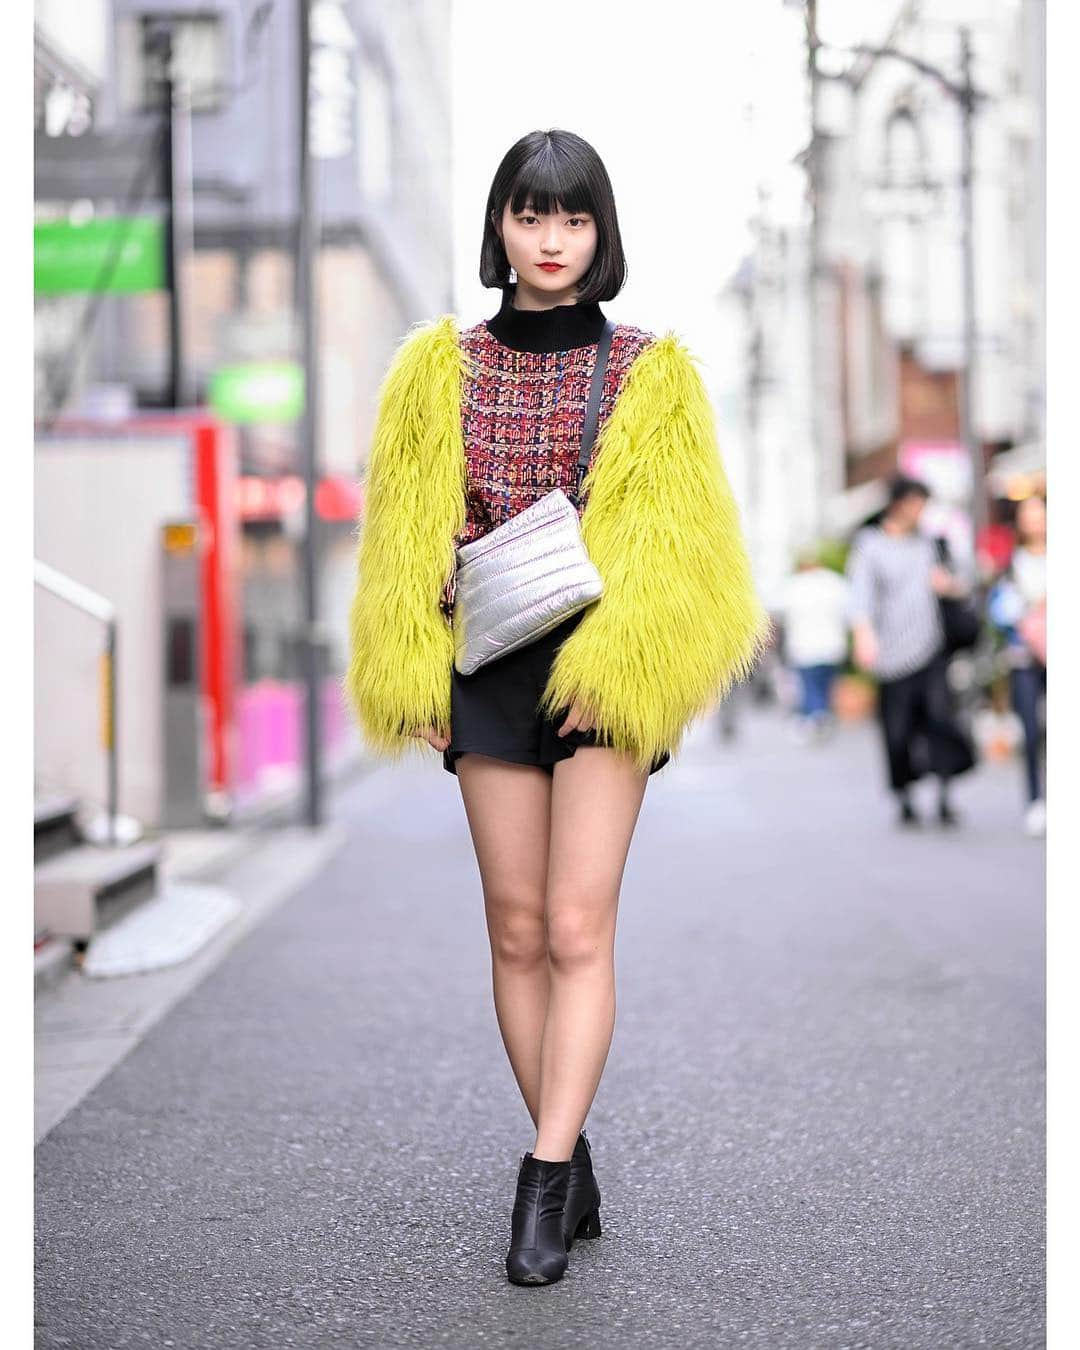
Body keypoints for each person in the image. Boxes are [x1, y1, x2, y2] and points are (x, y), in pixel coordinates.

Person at [344, 129, 770, 1287]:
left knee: (579, 928)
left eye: (572, 218)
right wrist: (411, 653)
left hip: (604, 673)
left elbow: (694, 560)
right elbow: (399, 535)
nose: (550, 239)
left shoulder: (651, 370)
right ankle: (570, 1150)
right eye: (531, 216)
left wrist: (626, 667)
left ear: (601, 233)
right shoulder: (439, 366)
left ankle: (538, 1179)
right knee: (516, 928)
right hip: (487, 665)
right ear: (499, 227)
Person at [845, 475, 977, 827]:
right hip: (891, 655)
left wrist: (949, 586)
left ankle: (945, 793)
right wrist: (864, 635)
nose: (922, 511)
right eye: (917, 503)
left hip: (932, 648)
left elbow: (965, 584)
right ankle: (905, 795)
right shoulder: (871, 545)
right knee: (898, 731)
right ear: (898, 504)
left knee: (940, 720)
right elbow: (859, 596)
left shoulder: (932, 544)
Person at [987, 494, 1047, 836]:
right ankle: (1035, 800)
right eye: (1031, 515)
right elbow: (998, 611)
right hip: (1024, 656)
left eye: (1042, 514)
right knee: (1031, 729)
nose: (1037, 521)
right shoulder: (1013, 563)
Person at [775, 549, 850, 741]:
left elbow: (779, 612)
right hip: (832, 646)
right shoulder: (835, 583)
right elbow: (849, 610)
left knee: (810, 686)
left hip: (805, 647)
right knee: (823, 685)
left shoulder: (794, 586)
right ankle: (821, 715)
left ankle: (817, 717)